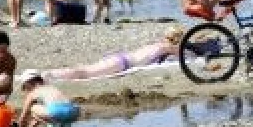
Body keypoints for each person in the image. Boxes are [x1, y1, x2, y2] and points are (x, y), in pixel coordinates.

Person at [34, 30, 184, 82]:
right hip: (122, 63)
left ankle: (52, 73)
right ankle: (50, 74)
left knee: (85, 70)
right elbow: (182, 53)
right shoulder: (166, 47)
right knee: (85, 73)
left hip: (120, 58)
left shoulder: (157, 45)